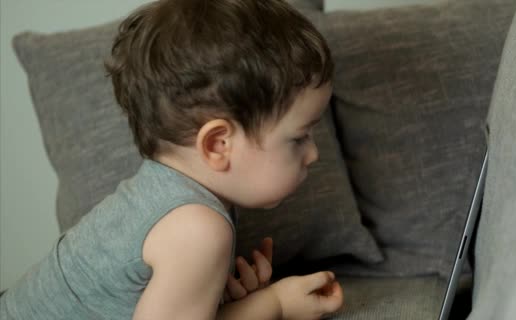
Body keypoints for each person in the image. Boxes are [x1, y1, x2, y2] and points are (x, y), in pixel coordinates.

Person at [0, 0, 343, 319]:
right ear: (217, 144)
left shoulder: (170, 195)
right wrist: (275, 304)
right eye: (299, 137)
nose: (313, 154)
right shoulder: (195, 228)